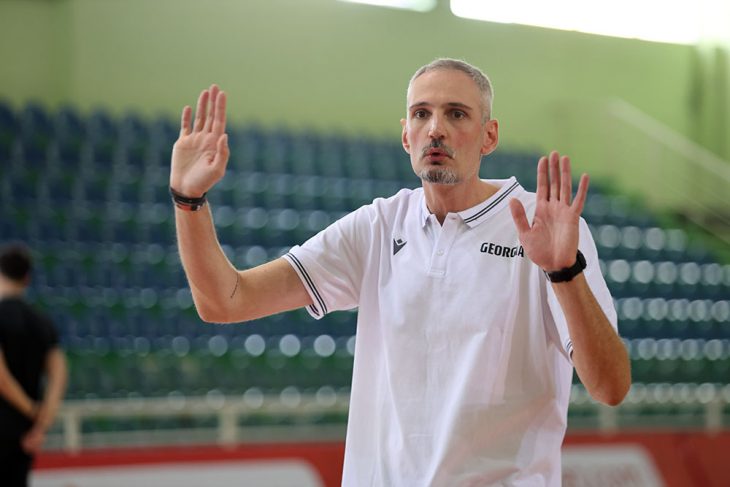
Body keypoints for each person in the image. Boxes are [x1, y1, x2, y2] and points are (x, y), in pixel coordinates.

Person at [170, 58, 631, 485]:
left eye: (456, 114)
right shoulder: (377, 225)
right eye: (421, 114)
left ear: (489, 136)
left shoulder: (544, 227)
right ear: (406, 136)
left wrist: (564, 272)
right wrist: (188, 201)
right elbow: (226, 300)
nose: (436, 129)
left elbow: (610, 386)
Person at [0, 244, 68, 487]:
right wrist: (42, 422)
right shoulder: (41, 321)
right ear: (27, 278)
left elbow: (1, 378)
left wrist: (31, 410)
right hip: (27, 433)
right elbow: (59, 374)